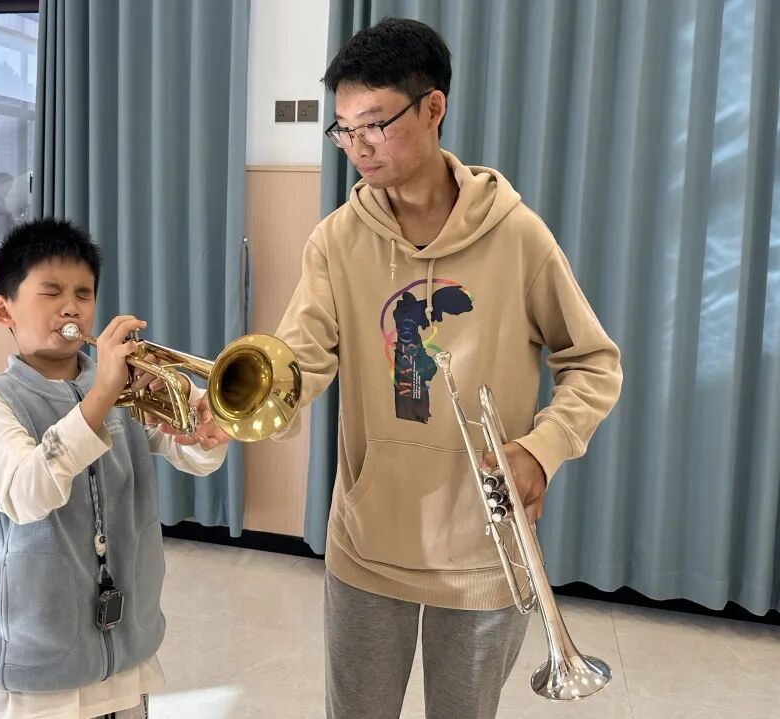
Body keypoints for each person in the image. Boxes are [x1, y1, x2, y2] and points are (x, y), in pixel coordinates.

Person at [274, 18, 623, 719]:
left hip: (484, 554)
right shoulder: (335, 240)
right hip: (368, 545)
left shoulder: (517, 235)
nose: (358, 147)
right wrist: (235, 408)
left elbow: (593, 362)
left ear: (433, 107)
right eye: (343, 129)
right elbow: (299, 360)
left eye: (376, 124)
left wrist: (542, 449)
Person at [0, 217, 230, 719]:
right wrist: (103, 393)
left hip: (129, 650)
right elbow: (26, 492)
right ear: (4, 309)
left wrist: (203, 435)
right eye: (51, 292)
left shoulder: (125, 389)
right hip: (42, 665)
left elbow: (190, 458)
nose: (71, 307)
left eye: (83, 293)